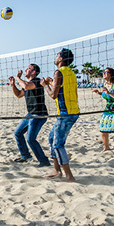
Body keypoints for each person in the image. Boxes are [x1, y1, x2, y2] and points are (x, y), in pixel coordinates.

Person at [41, 49, 80, 182]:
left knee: (58, 144)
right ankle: (57, 171)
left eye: (57, 55)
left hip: (66, 113)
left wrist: (46, 85)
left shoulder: (59, 72)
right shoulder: (70, 73)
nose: (55, 57)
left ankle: (69, 176)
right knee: (52, 139)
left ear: (61, 59)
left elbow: (53, 95)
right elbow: (63, 89)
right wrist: (52, 83)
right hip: (72, 111)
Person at [9, 64, 50, 167]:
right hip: (31, 114)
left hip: (39, 114)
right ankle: (26, 156)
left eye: (28, 68)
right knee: (18, 133)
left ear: (33, 72)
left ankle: (44, 161)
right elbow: (18, 94)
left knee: (30, 139)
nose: (26, 69)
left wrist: (18, 77)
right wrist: (13, 84)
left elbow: (26, 86)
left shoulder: (36, 81)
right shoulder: (27, 84)